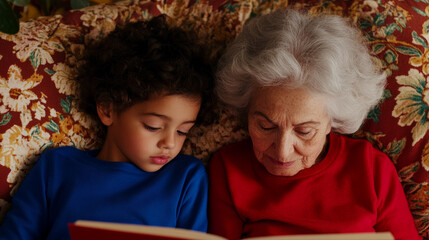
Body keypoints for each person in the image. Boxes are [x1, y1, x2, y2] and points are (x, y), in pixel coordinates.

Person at [208, 8, 421, 240]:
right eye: (265, 126)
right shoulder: (228, 168)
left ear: (333, 120)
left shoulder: (372, 170)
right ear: (247, 111)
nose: (282, 150)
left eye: (304, 131)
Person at [0, 15, 214, 240]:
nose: (170, 143)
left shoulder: (185, 177)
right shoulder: (57, 168)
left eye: (183, 131)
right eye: (153, 126)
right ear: (107, 110)